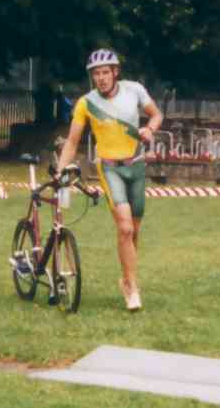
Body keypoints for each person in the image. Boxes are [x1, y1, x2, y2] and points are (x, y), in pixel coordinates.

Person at [56, 49, 163, 311]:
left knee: (134, 231)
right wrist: (61, 170)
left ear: (115, 72)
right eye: (96, 74)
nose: (101, 78)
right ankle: (132, 288)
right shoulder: (86, 103)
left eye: (105, 72)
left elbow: (156, 114)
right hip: (109, 169)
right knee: (125, 228)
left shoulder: (134, 90)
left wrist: (149, 129)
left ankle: (127, 278)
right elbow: (72, 141)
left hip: (136, 167)